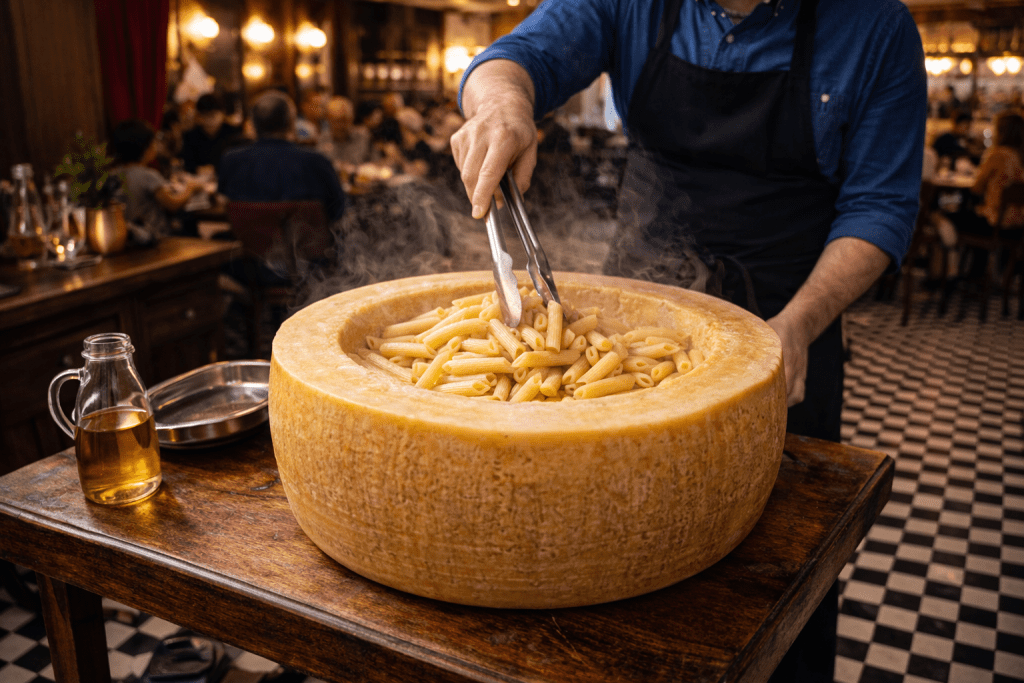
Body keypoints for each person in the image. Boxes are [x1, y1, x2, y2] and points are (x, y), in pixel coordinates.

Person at [450, 0, 926, 681]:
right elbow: (520, 56)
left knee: (777, 574)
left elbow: (881, 206)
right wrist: (500, 102)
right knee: (611, 552)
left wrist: (797, 329)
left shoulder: (876, 26)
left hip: (790, 316)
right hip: (635, 325)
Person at [218, 90, 345, 223]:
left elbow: (225, 203)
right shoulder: (316, 162)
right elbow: (338, 210)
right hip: (306, 241)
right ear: (291, 123)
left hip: (252, 241)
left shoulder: (231, 161)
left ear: (254, 125)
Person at [109, 119, 204, 240]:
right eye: (154, 141)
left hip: (126, 237)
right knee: (191, 232)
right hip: (153, 237)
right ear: (146, 147)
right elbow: (172, 204)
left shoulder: (112, 174)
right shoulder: (147, 175)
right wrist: (191, 188)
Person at [180, 93, 245, 174]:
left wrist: (215, 169)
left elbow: (240, 162)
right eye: (205, 115)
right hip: (199, 182)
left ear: (222, 113)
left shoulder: (234, 133)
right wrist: (196, 169)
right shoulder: (191, 136)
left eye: (213, 115)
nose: (209, 120)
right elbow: (188, 164)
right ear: (199, 116)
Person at [318, 96, 371, 178]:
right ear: (328, 120)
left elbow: (376, 165)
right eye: (336, 121)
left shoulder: (363, 137)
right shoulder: (323, 138)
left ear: (352, 118)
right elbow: (320, 168)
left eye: (344, 120)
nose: (340, 126)